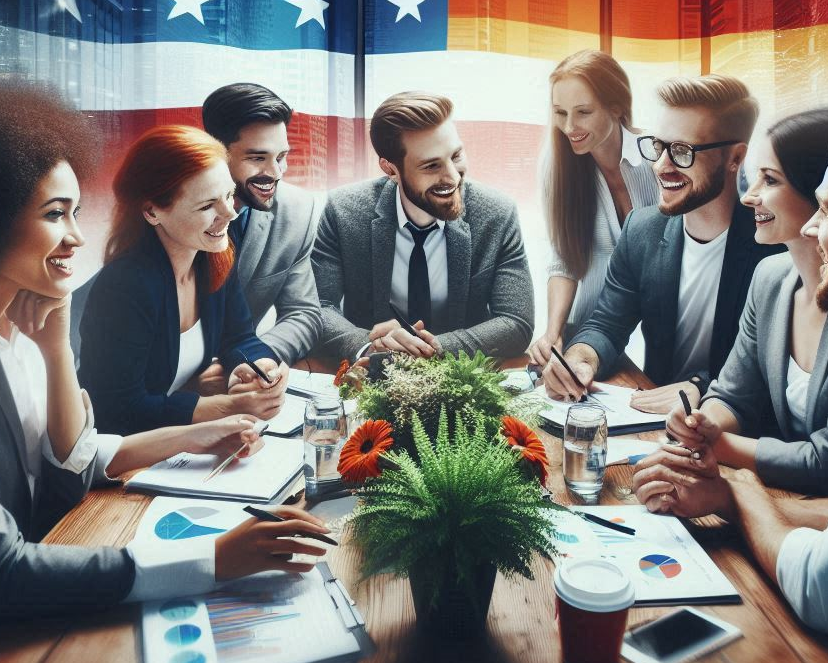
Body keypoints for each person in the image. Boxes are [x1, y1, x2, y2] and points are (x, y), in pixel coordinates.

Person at [0, 81, 330, 663]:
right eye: (55, 215)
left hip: (44, 596)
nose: (78, 238)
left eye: (75, 213)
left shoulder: (19, 333)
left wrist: (194, 433)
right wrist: (213, 558)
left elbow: (77, 460)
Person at [632, 112, 828, 663]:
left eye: (824, 212)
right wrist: (731, 493)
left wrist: (741, 488)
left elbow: (827, 589)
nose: (808, 230)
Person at [665, 108, 828, 496]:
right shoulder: (770, 279)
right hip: (781, 495)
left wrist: (719, 445)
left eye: (769, 180)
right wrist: (702, 422)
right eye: (753, 178)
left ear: (821, 192)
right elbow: (733, 395)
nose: (749, 197)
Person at [543, 74, 783, 412]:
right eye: (659, 146)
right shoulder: (641, 230)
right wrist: (582, 358)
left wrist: (703, 386)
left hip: (739, 431)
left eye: (682, 151)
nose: (661, 165)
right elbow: (607, 324)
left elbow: (770, 365)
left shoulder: (773, 246)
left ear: (735, 158)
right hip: (653, 420)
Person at [79, 125, 290, 435]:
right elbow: (117, 411)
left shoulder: (214, 254)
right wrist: (230, 406)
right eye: (207, 206)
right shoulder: (125, 286)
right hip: (123, 457)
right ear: (152, 211)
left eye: (228, 195)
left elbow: (240, 338)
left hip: (175, 441)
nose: (229, 213)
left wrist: (259, 369)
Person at [311, 91, 534, 360]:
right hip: (373, 381)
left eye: (456, 156)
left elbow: (516, 321)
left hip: (463, 380)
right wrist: (370, 347)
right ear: (390, 170)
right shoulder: (343, 211)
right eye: (431, 166)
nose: (452, 177)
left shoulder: (497, 213)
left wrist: (433, 349)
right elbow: (318, 308)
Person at [527, 50, 658, 363]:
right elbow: (564, 258)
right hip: (594, 328)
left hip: (659, 326)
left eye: (583, 112)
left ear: (616, 107)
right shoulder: (555, 167)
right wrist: (553, 332)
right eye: (560, 112)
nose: (569, 126)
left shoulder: (658, 156)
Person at [201, 83, 322, 364]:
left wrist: (255, 359)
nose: (275, 173)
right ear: (216, 152)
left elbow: (303, 314)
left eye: (281, 157)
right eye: (257, 158)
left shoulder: (296, 211)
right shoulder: (169, 212)